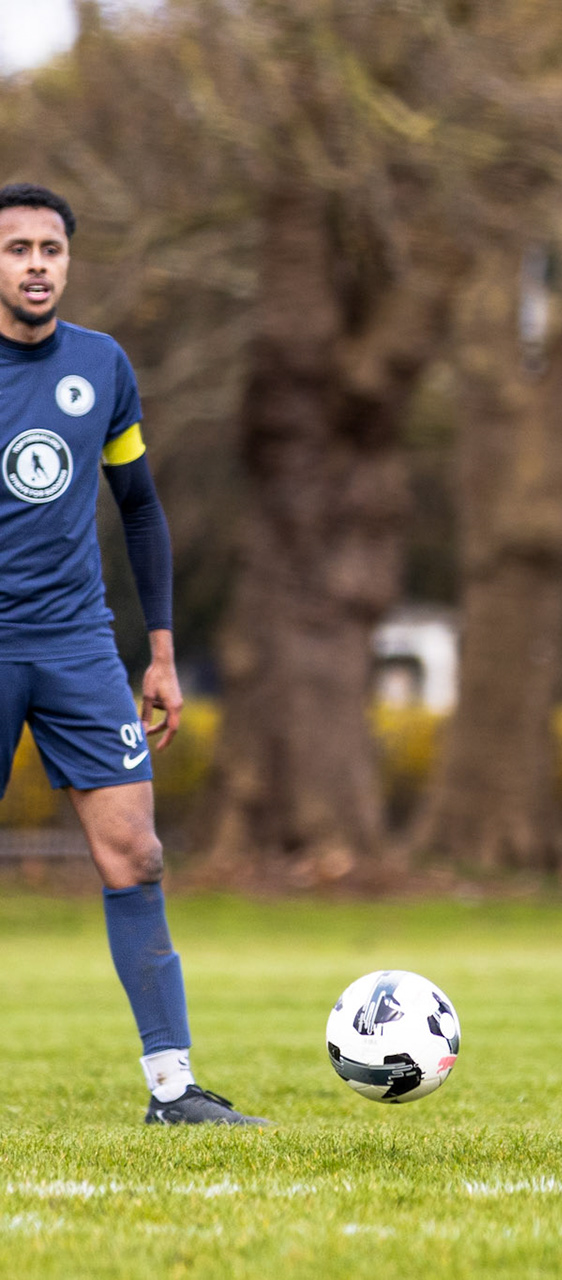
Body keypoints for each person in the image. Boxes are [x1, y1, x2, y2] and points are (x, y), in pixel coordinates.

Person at [0, 183, 265, 1125]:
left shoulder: (102, 365)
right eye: (18, 249)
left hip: (78, 647)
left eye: (51, 249)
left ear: (69, 261)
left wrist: (160, 651)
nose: (36, 265)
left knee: (139, 855)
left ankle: (173, 1090)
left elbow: (141, 508)